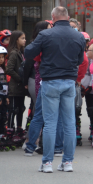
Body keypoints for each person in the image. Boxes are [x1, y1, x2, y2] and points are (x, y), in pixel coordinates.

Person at [24, 7, 85, 173]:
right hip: (69, 82)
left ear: (53, 18)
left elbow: (29, 52)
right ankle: (67, 162)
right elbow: (80, 59)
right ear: (68, 17)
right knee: (69, 123)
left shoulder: (45, 35)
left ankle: (47, 163)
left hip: (50, 80)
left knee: (50, 123)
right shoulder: (78, 35)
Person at [23, 21, 65, 157]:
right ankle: (56, 147)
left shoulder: (43, 43)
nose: (51, 30)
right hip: (54, 79)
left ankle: (31, 146)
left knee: (40, 114)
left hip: (46, 80)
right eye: (49, 28)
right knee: (53, 115)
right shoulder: (59, 42)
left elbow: (31, 54)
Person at [6, 30, 27, 145]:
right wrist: (19, 78)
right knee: (13, 110)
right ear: (16, 40)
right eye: (22, 38)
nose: (25, 40)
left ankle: (19, 129)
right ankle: (10, 131)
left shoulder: (21, 52)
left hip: (20, 89)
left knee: (20, 108)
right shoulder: (14, 53)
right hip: (14, 87)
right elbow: (9, 69)